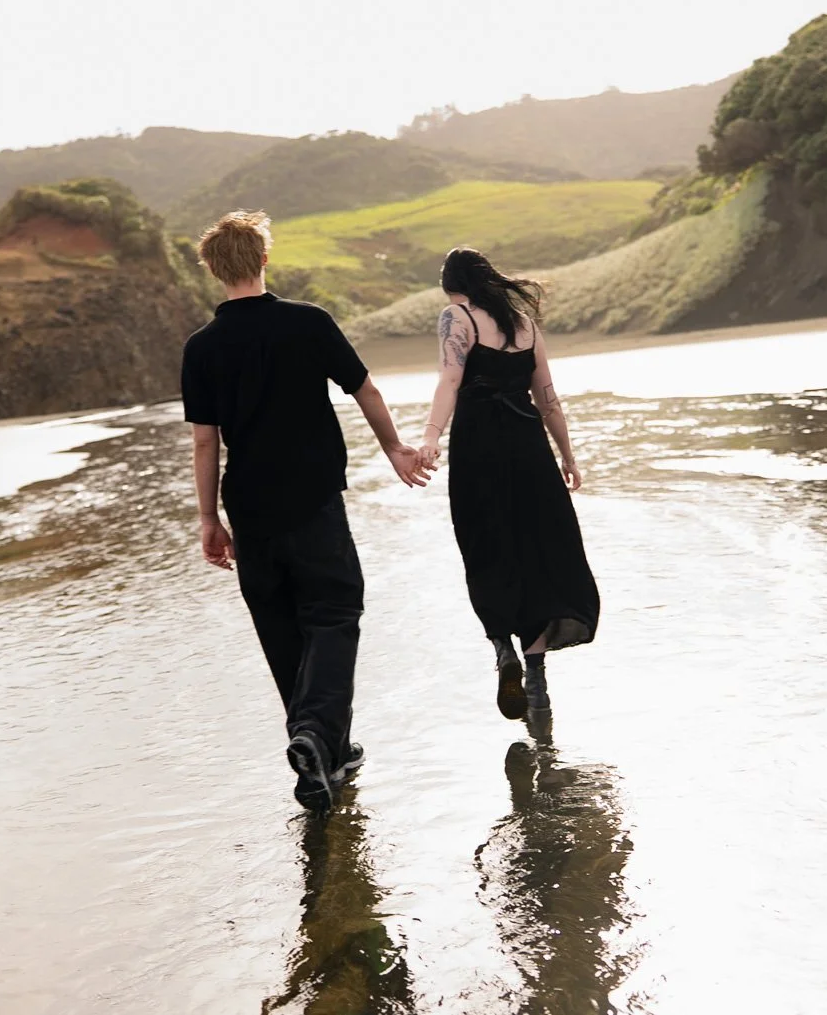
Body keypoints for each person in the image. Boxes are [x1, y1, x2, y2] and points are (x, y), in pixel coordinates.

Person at [181, 210, 431, 812]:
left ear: (213, 270)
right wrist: (394, 448)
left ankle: (323, 759)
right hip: (313, 497)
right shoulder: (308, 323)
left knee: (280, 627)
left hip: (250, 505)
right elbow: (364, 388)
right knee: (335, 611)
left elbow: (204, 440)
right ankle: (316, 737)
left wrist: (209, 519)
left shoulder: (201, 349)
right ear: (264, 260)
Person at [416, 248, 599, 720]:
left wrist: (431, 438)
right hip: (529, 450)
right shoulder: (524, 325)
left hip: (480, 451)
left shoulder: (457, 317)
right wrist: (567, 456)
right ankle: (536, 682)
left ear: (450, 286)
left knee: (486, 548)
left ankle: (502, 649)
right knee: (539, 550)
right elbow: (548, 398)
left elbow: (449, 381)